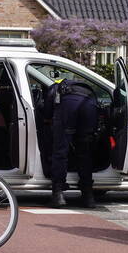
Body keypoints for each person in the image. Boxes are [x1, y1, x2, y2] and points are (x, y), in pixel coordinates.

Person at [44, 74, 99, 208]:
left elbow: (46, 114)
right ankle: (88, 196)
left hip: (68, 107)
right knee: (84, 153)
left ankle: (58, 195)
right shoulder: (85, 87)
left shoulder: (55, 86)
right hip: (89, 106)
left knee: (60, 152)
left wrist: (49, 120)